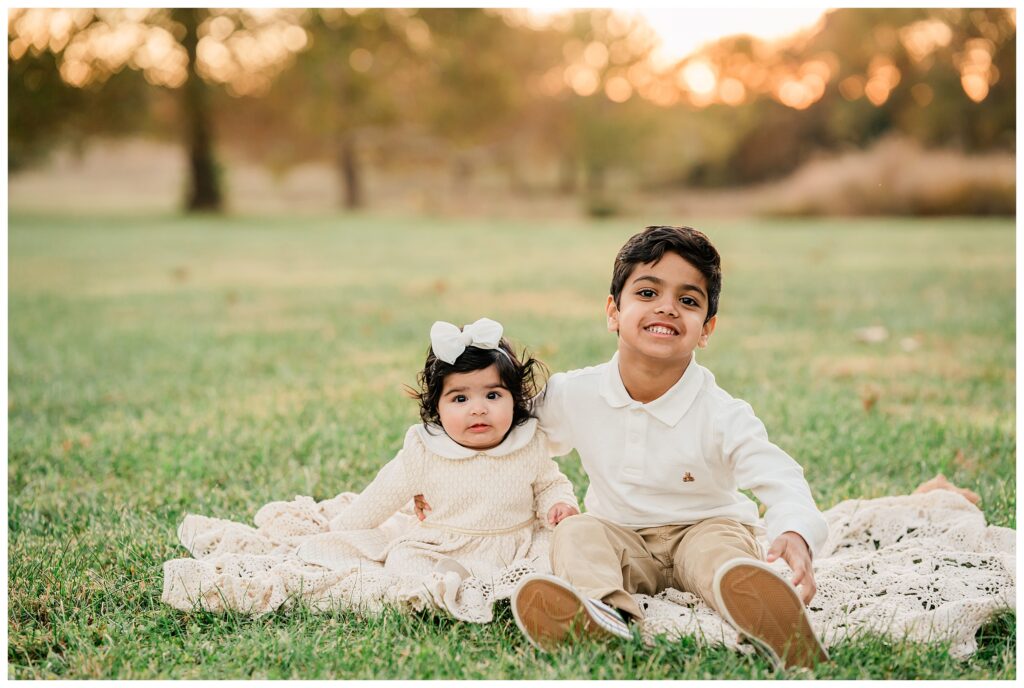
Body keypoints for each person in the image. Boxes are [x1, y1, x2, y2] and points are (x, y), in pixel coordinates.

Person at [416, 227, 828, 668]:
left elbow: (778, 473)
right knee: (576, 532)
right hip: (621, 535)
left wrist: (795, 530)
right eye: (648, 292)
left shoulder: (722, 413)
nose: (667, 307)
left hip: (705, 527)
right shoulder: (576, 393)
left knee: (719, 555)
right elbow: (509, 435)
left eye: (688, 301)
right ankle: (604, 616)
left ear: (706, 329)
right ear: (614, 311)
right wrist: (442, 479)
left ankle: (763, 613)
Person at [295, 317, 582, 619]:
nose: (478, 408)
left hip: (514, 546)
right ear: (437, 407)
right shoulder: (425, 450)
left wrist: (559, 504)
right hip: (441, 546)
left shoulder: (528, 443)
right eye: (460, 398)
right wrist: (343, 528)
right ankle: (436, 591)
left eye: (493, 395)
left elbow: (551, 484)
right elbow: (384, 492)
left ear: (514, 400)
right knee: (403, 561)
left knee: (555, 553)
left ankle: (518, 591)